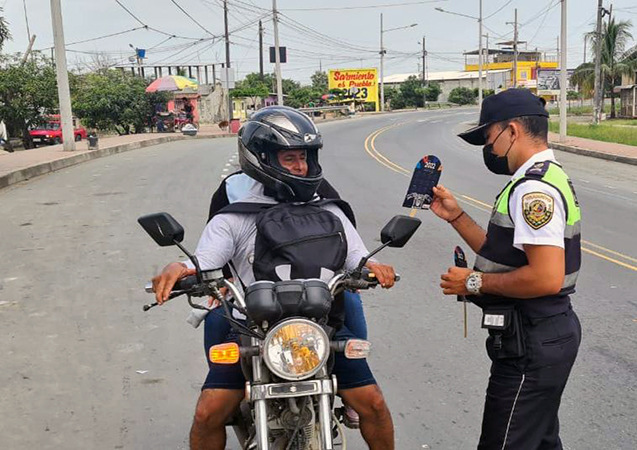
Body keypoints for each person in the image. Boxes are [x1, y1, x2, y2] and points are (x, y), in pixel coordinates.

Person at [151, 106, 397, 450]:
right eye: (290, 159)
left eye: (305, 158)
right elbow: (203, 260)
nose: (301, 167)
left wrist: (376, 267)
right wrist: (180, 268)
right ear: (261, 159)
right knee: (208, 414)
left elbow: (357, 257)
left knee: (373, 405)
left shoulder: (329, 209)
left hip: (319, 328)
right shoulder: (234, 216)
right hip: (251, 328)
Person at [430, 89, 582, 450]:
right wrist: (457, 217)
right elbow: (504, 255)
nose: (489, 149)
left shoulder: (533, 191)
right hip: (541, 333)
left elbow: (545, 277)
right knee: (540, 441)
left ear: (511, 131)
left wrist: (473, 282)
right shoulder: (542, 178)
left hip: (532, 337)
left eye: (488, 138)